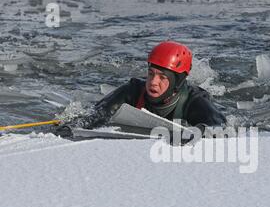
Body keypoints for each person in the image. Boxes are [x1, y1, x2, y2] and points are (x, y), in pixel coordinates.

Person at [55, 41, 227, 137]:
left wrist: (196, 134)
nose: (153, 82)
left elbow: (221, 129)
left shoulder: (194, 101)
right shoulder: (133, 90)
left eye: (162, 77)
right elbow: (98, 114)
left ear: (178, 81)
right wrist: (71, 127)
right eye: (151, 74)